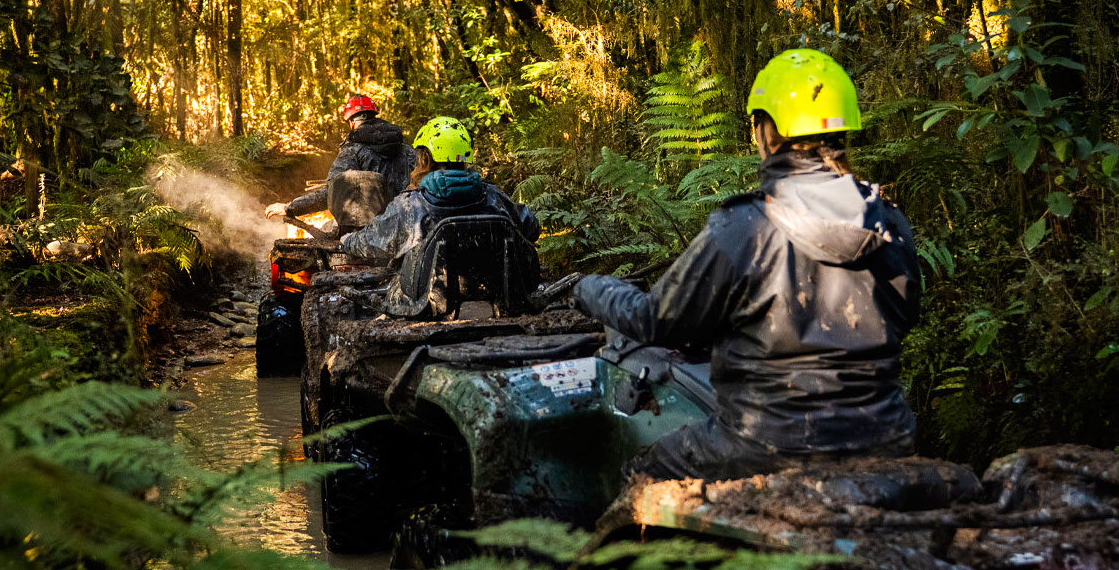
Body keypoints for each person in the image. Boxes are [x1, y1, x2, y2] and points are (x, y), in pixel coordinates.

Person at [572, 49, 919, 481]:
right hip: (886, 436)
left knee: (640, 476)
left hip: (766, 443)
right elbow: (904, 317)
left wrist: (591, 288)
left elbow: (655, 320)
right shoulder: (889, 220)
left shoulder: (746, 227)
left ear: (768, 132)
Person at [341, 116, 540, 313]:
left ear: (424, 157)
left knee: (393, 286)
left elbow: (373, 242)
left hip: (429, 304)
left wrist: (347, 241)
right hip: (497, 294)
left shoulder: (411, 205)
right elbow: (531, 227)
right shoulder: (494, 197)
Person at [264, 94, 414, 232]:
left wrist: (290, 208)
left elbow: (330, 193)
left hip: (372, 235)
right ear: (374, 116)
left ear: (351, 122)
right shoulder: (407, 150)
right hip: (410, 227)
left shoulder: (353, 150)